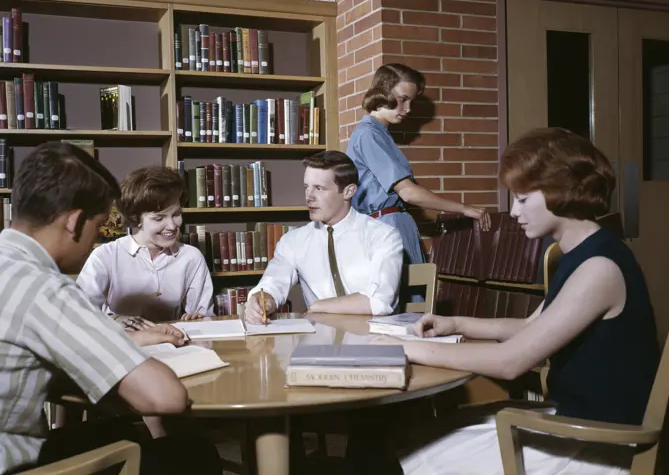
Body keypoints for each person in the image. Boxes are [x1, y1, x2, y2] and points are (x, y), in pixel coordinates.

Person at [387, 127, 660, 474]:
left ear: (561, 193)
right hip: (571, 419)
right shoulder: (580, 252)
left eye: (522, 198)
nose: (513, 212)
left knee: (415, 454)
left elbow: (510, 362)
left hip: (597, 441)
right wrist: (456, 324)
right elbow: (531, 327)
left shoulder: (600, 268)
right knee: (417, 439)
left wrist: (405, 350)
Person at [0, 142, 222, 475]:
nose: (96, 240)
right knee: (191, 451)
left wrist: (133, 341)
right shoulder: (47, 288)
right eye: (99, 225)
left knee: (121, 431)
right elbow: (166, 397)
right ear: (74, 222)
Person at [346, 63, 492, 304]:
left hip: (393, 222)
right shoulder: (369, 134)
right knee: (401, 308)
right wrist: (465, 208)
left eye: (411, 101)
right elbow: (409, 193)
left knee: (411, 304)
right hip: (386, 225)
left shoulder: (380, 133)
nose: (408, 108)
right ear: (383, 91)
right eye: (403, 99)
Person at [245, 150, 404, 323]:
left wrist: (318, 306)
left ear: (349, 191)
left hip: (375, 340)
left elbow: (379, 302)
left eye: (319, 188)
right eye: (307, 187)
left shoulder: (383, 236)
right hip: (321, 341)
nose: (309, 197)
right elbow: (273, 283)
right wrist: (263, 300)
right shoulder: (293, 241)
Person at [77, 165, 213, 326]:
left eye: (176, 214)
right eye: (159, 218)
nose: (172, 225)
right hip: (123, 343)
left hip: (175, 343)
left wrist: (199, 319)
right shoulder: (105, 255)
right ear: (135, 218)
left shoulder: (191, 257)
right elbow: (79, 314)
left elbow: (205, 317)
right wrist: (115, 319)